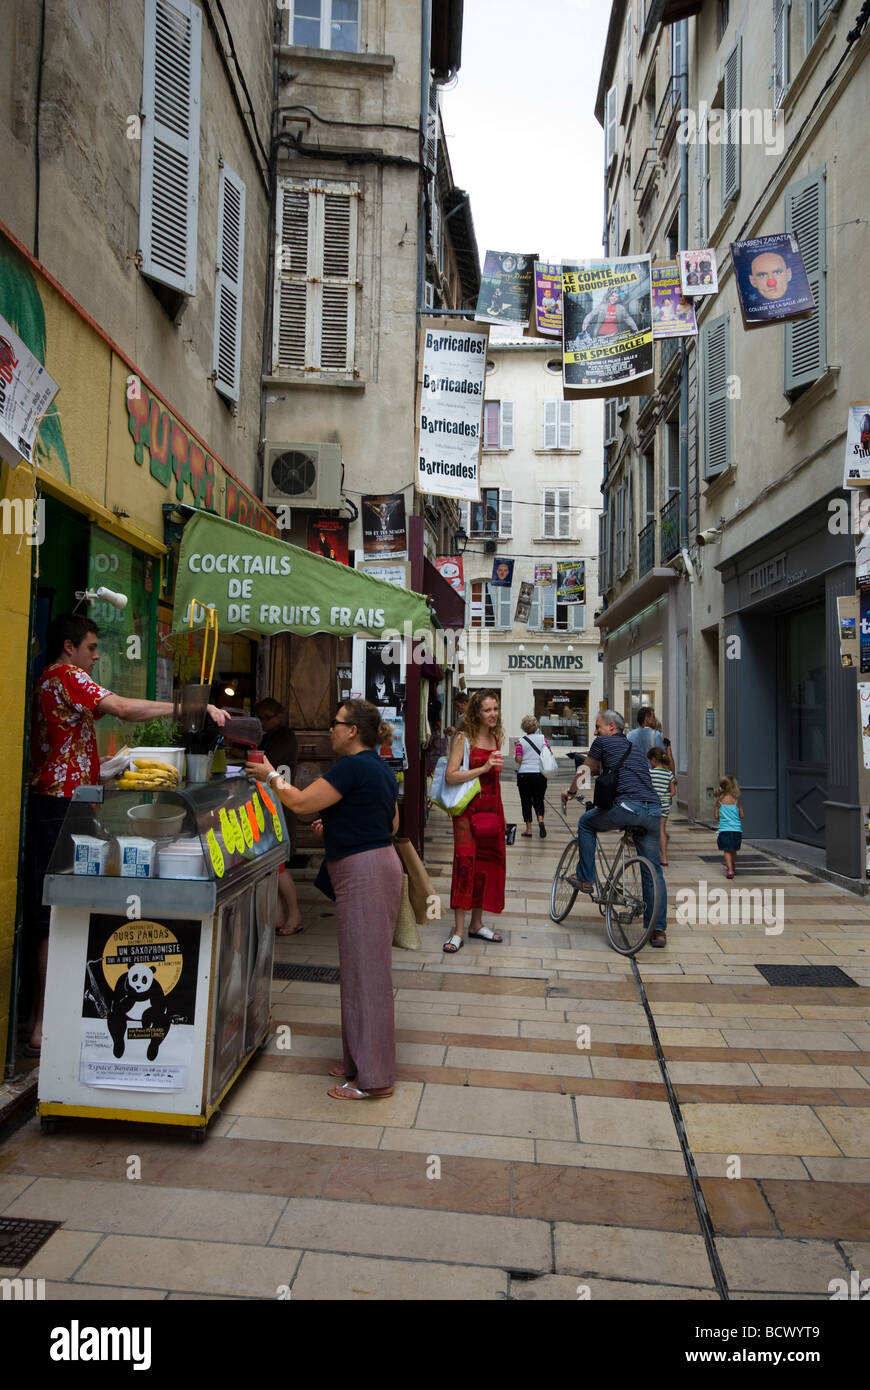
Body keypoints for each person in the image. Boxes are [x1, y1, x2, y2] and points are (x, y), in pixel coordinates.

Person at [20, 613, 228, 1055]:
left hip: (69, 800)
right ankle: (40, 1025)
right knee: (53, 911)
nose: (96, 656)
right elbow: (124, 709)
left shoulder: (56, 679)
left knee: (63, 906)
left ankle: (47, 1018)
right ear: (69, 647)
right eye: (92, 647)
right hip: (58, 803)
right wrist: (185, 708)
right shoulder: (65, 676)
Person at [245, 699, 401, 1100]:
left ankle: (374, 1079)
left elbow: (297, 803)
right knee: (358, 970)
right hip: (375, 866)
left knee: (366, 976)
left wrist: (269, 776)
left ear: (352, 731)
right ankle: (357, 1061)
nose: (329, 728)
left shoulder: (351, 766)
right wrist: (336, 820)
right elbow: (391, 821)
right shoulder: (379, 768)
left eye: (336, 723)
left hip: (364, 873)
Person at [561, 709, 668, 948]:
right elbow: (613, 770)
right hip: (653, 811)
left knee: (586, 823)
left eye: (598, 726)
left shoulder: (601, 742)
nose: (595, 731)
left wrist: (570, 792)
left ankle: (587, 879)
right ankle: (658, 930)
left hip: (628, 808)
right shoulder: (636, 750)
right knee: (654, 872)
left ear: (611, 727)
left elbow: (585, 771)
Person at [442, 689, 505, 953]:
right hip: (467, 812)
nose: (493, 714)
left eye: (496, 709)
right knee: (465, 865)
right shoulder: (463, 738)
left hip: (492, 811)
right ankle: (458, 930)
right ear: (476, 712)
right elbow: (450, 776)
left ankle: (476, 924)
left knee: (486, 866)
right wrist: (483, 768)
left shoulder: (496, 737)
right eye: (487, 710)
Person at [253, 698, 302, 935]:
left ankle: (293, 914)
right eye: (260, 717)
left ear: (280, 715)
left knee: (279, 864)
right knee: (274, 866)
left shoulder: (285, 737)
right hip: (270, 803)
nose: (263, 722)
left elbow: (265, 763)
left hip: (279, 804)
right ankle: (280, 915)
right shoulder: (269, 735)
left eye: (268, 717)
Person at [514, 715, 550, 839]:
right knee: (539, 799)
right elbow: (549, 753)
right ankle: (540, 820)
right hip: (539, 774)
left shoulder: (521, 741)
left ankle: (528, 829)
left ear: (524, 727)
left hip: (524, 774)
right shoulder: (543, 739)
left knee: (526, 801)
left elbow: (518, 759)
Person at [648, 746, 677, 866]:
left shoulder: (650, 773)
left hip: (653, 803)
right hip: (665, 804)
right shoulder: (669, 774)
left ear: (654, 760)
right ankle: (664, 857)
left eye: (650, 760)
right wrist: (665, 795)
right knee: (662, 830)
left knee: (650, 830)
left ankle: (652, 855)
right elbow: (673, 792)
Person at [627, 706, 675, 774]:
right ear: (647, 718)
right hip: (652, 777)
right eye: (653, 717)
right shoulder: (656, 735)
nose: (655, 720)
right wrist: (668, 748)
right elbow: (664, 759)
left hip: (634, 775)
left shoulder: (629, 735)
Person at [715, 775, 744, 879]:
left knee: (726, 850)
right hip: (736, 830)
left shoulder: (719, 802)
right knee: (734, 849)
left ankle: (730, 869)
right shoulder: (737, 802)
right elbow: (742, 816)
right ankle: (733, 865)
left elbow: (716, 817)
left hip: (724, 830)